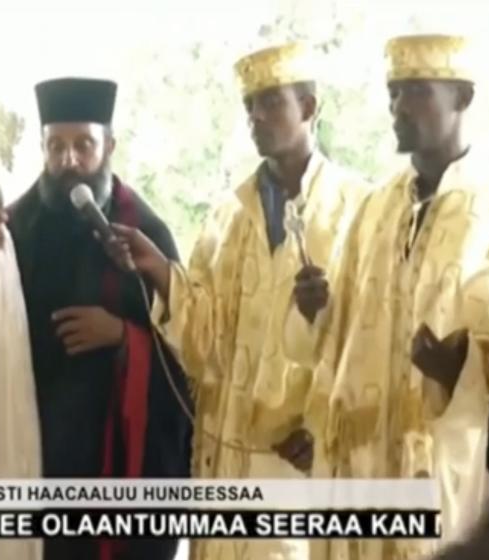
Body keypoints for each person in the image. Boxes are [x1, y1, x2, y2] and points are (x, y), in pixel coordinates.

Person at [102, 43, 369, 560]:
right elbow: (205, 342)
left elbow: (369, 337)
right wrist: (158, 267)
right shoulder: (227, 214)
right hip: (226, 451)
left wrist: (321, 424)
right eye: (249, 104)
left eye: (270, 101)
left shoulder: (358, 210)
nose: (256, 115)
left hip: (297, 455)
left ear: (309, 109)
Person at [0, 77, 194, 560]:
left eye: (83, 145)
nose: (69, 160)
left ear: (109, 146)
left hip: (115, 458)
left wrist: (123, 336)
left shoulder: (145, 230)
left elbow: (189, 351)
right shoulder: (13, 227)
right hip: (36, 449)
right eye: (56, 146)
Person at [285, 34, 489, 559]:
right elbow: (336, 339)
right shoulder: (375, 208)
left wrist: (459, 373)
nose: (398, 107)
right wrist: (316, 312)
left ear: (463, 98)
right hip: (358, 468)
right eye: (393, 93)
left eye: (417, 91)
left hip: (439, 463)